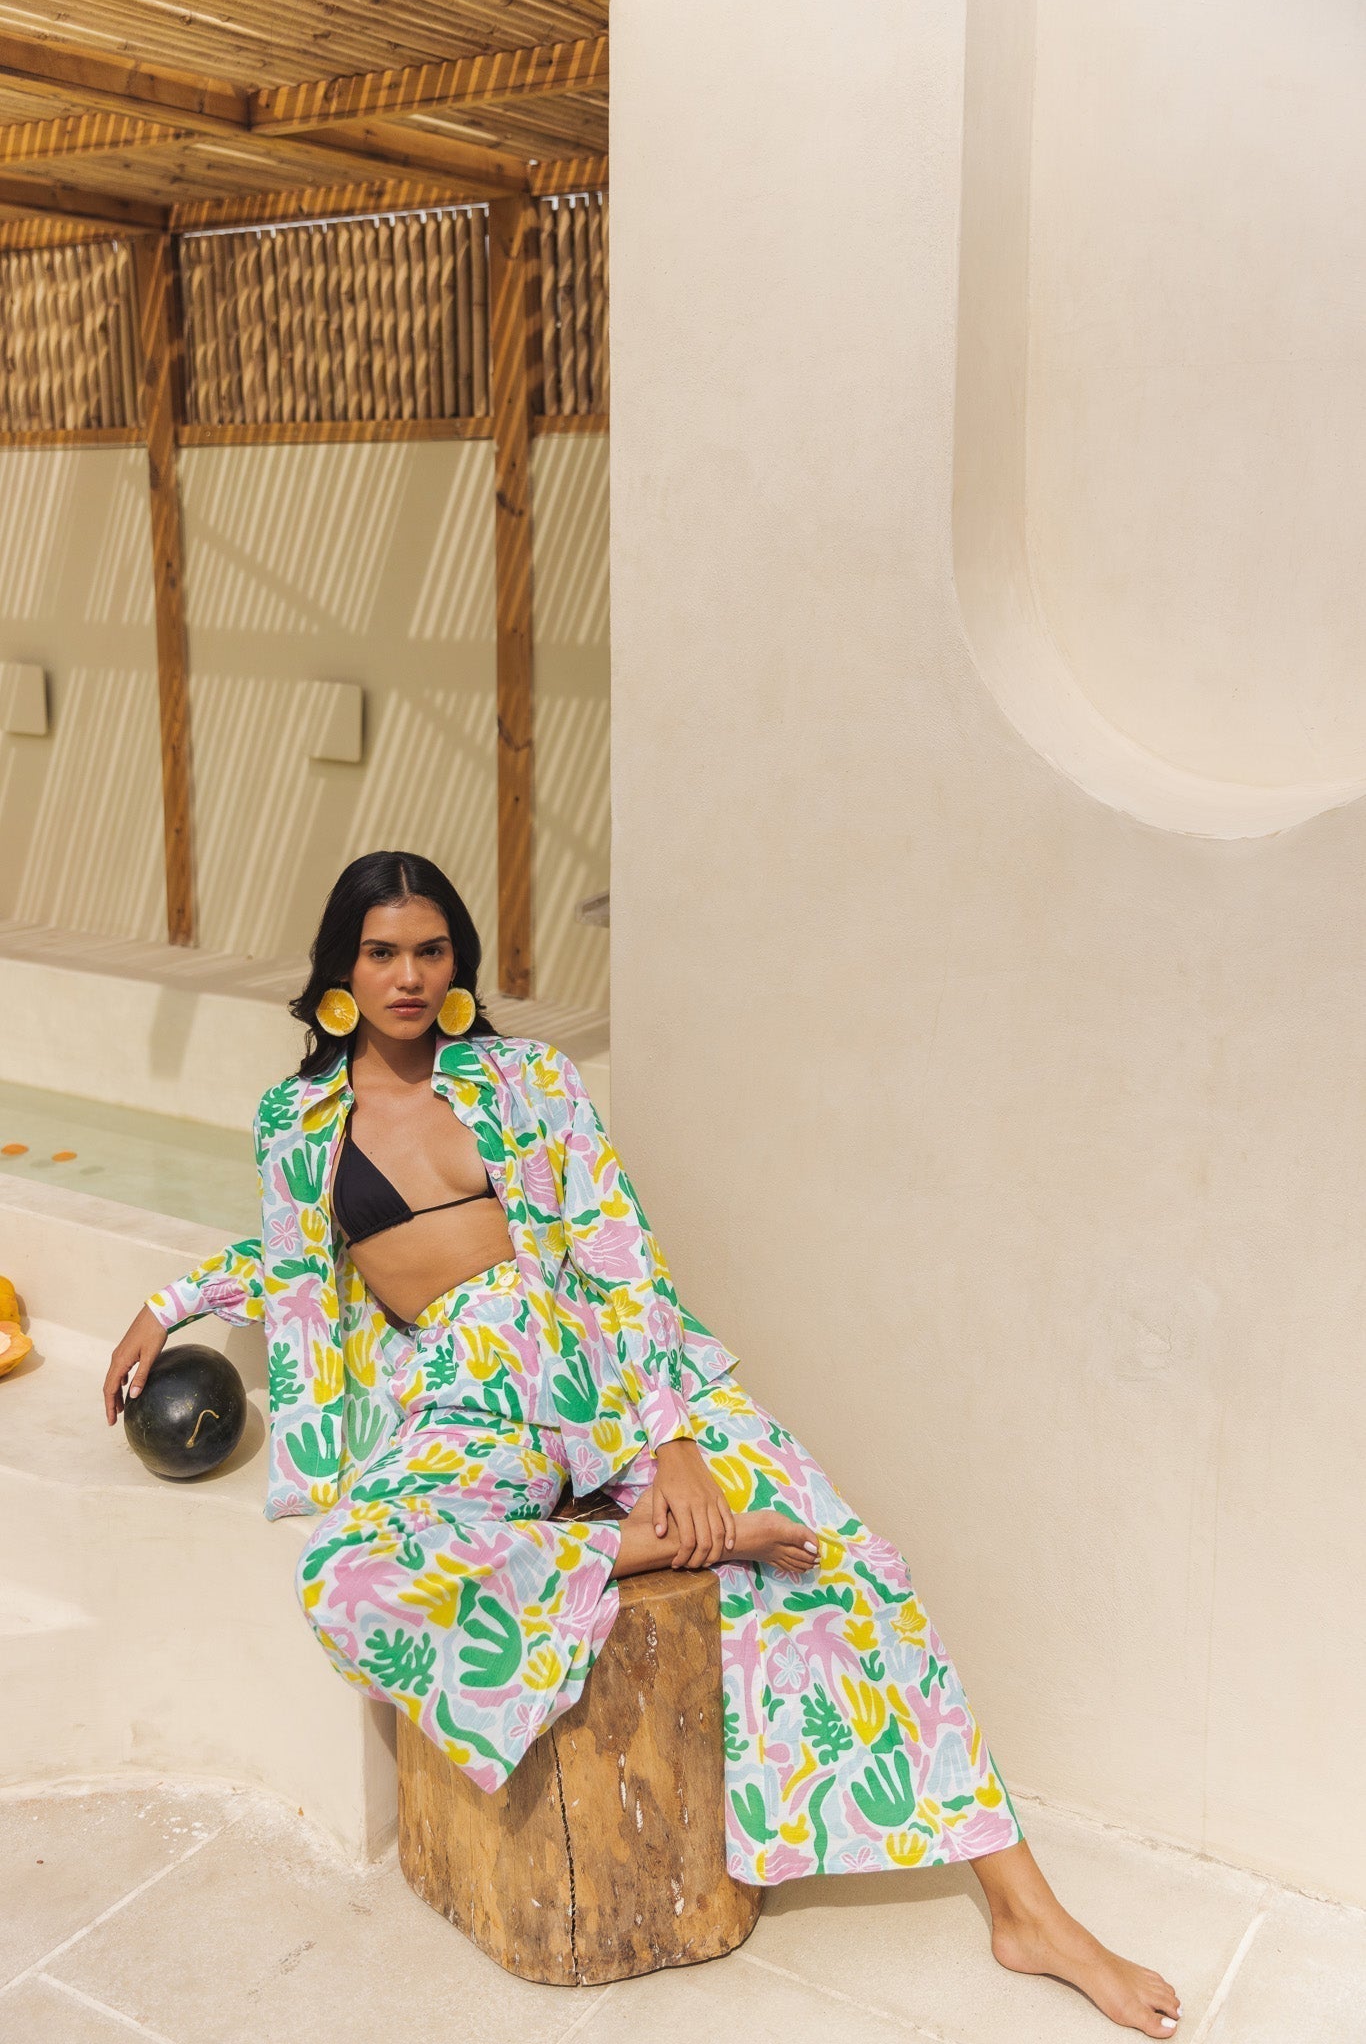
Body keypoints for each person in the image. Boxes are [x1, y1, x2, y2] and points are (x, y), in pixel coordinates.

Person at [103, 851, 1182, 2037]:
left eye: (431, 949)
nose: (408, 974)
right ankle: (640, 1550)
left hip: (606, 1367)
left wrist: (672, 1444)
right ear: (340, 969)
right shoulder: (297, 1117)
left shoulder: (527, 1078)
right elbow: (297, 1258)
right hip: (468, 1395)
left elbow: (615, 1249)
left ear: (458, 961)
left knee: (851, 1560)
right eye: (381, 951)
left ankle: (1028, 1909)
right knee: (350, 1571)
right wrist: (169, 1301)